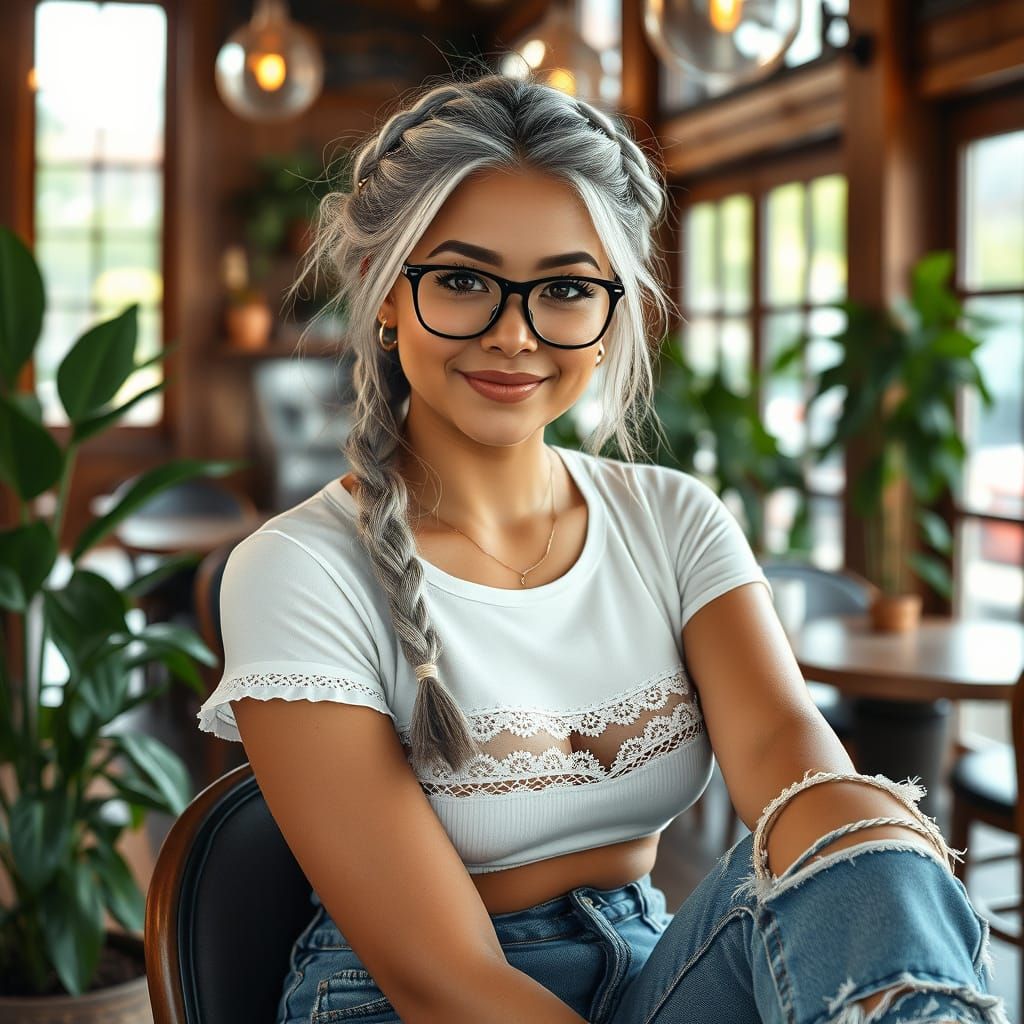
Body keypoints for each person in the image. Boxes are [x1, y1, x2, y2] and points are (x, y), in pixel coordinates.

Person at [196, 71, 1009, 1024]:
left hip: (651, 966)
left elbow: (790, 759)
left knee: (867, 834)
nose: (514, 335)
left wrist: (876, 854)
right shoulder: (297, 571)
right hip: (405, 1001)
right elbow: (437, 977)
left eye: (567, 290)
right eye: (462, 281)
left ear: (612, 310)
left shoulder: (674, 518)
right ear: (383, 294)